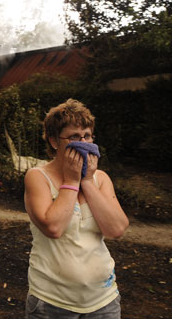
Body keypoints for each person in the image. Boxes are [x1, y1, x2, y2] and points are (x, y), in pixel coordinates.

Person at [24, 98, 129, 318]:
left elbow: (117, 229)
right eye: (74, 137)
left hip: (104, 301)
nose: (83, 143)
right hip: (52, 303)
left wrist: (88, 182)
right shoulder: (37, 177)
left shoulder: (100, 179)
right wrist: (71, 181)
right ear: (54, 141)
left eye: (87, 136)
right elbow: (53, 228)